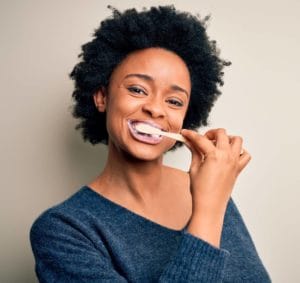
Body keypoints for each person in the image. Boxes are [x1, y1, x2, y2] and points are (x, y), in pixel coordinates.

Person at [30, 5, 271, 282]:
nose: (156, 110)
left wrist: (214, 199)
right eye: (137, 89)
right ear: (102, 97)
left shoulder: (213, 188)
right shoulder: (63, 231)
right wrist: (208, 210)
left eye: (174, 101)